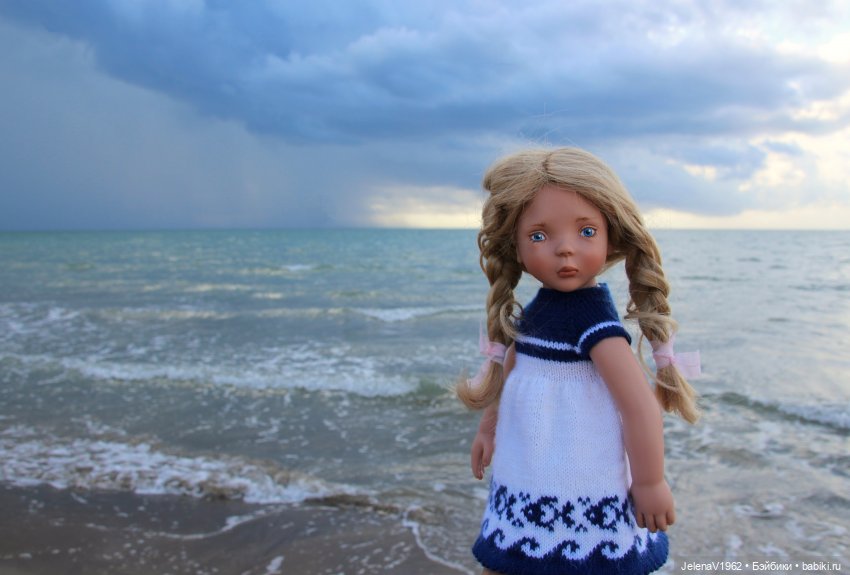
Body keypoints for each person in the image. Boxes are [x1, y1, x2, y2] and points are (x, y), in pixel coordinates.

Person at [457, 147, 700, 575]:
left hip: (583, 485)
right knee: (511, 560)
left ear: (611, 237)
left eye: (586, 231)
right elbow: (512, 371)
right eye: (539, 236)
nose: (565, 249)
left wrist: (649, 481)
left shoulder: (594, 323)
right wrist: (488, 428)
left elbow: (639, 407)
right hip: (530, 474)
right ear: (516, 247)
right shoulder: (538, 309)